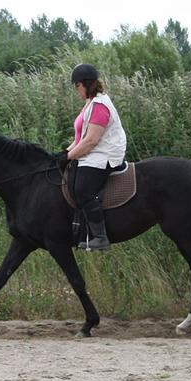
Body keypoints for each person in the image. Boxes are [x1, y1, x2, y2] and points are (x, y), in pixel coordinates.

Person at [63, 63, 127, 251]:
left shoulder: (99, 105)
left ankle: (100, 237)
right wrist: (64, 154)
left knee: (83, 189)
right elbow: (80, 138)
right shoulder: (90, 104)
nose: (77, 91)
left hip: (105, 154)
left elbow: (91, 141)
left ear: (85, 84)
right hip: (95, 152)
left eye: (77, 86)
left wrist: (68, 157)